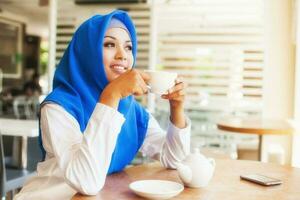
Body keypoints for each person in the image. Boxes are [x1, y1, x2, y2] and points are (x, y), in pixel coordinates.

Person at [15, 10, 191, 200]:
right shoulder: (58, 107)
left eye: (129, 47)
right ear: (86, 53)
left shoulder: (132, 110)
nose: (122, 55)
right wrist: (111, 95)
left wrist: (176, 108)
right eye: (109, 44)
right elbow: (87, 182)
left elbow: (176, 160)